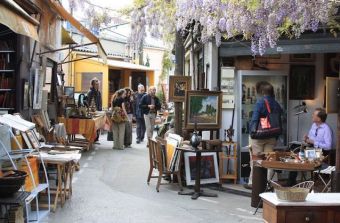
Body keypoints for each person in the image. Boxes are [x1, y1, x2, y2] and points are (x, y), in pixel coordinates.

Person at [245, 81, 282, 189]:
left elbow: (255, 119)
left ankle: (254, 183)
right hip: (272, 136)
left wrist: (252, 133)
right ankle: (270, 183)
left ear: (262, 92)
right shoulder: (276, 104)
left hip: (258, 137)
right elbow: (279, 120)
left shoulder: (260, 103)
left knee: (256, 160)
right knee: (269, 160)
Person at [288, 108, 333, 186]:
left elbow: (328, 146)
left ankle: (291, 182)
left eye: (314, 115)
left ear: (319, 118)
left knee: (298, 155)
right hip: (311, 149)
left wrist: (314, 142)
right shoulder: (314, 125)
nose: (312, 115)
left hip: (321, 152)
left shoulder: (326, 129)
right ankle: (291, 180)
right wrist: (306, 138)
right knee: (293, 149)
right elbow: (310, 138)